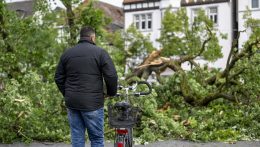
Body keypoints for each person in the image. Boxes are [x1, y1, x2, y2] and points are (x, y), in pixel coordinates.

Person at [54, 26, 118, 147]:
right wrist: (111, 92)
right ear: (92, 37)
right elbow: (111, 76)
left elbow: (58, 78)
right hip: (92, 103)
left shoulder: (67, 54)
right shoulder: (100, 53)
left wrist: (68, 93)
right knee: (96, 139)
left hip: (72, 102)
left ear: (81, 37)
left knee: (77, 137)